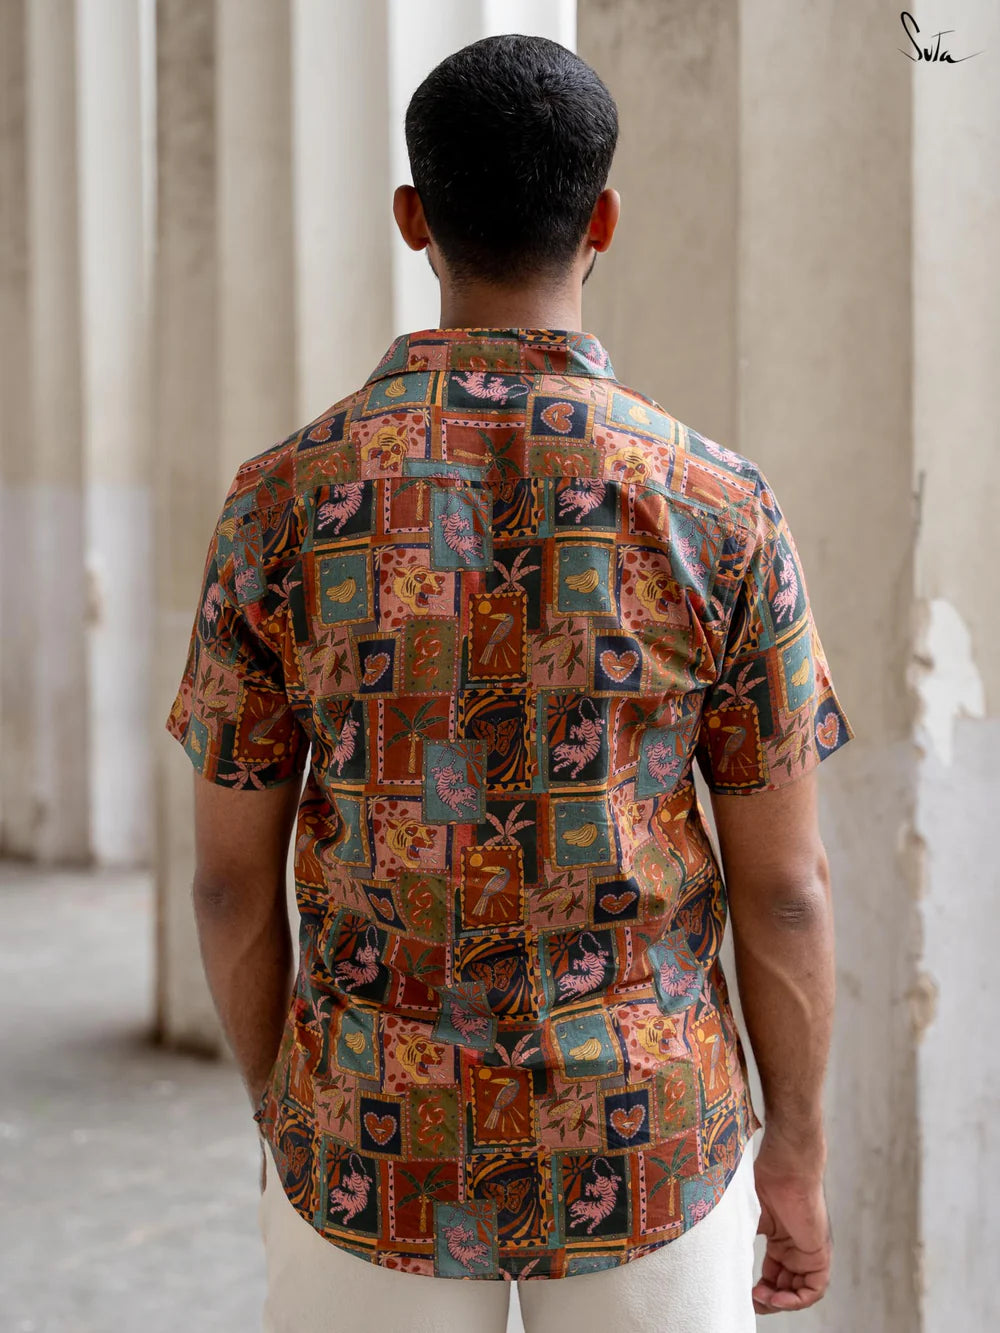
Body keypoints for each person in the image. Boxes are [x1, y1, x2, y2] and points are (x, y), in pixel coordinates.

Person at [165, 32, 854, 1333]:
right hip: (644, 1138)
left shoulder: (281, 505)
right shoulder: (718, 508)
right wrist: (799, 1154)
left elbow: (225, 878)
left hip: (369, 1144)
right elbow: (786, 886)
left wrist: (290, 1110)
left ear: (413, 220)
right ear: (601, 219)